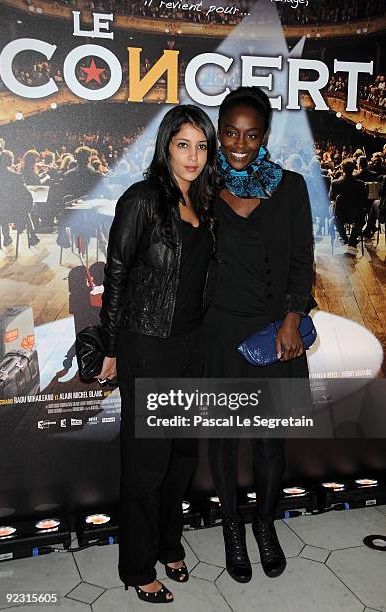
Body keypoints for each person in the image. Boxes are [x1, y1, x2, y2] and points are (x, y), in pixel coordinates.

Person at [98, 105, 217, 603]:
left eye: (201, 146)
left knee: (182, 457)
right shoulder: (144, 199)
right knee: (147, 464)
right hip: (148, 346)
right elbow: (117, 274)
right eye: (183, 144)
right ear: (166, 145)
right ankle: (136, 565)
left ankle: (170, 542)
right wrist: (110, 347)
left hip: (192, 346)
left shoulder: (204, 204)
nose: (193, 156)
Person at [204, 87, 314, 584]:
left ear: (265, 135)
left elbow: (301, 260)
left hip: (275, 331)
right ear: (218, 132)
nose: (239, 143)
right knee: (226, 441)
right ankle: (232, 527)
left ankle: (264, 524)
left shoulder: (290, 187)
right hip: (219, 330)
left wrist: (292, 318)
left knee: (270, 442)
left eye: (251, 134)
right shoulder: (201, 187)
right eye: (230, 132)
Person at [329, 158, 368, 247]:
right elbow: (364, 199)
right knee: (362, 217)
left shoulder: (335, 184)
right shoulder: (361, 184)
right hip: (356, 215)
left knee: (334, 216)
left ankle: (343, 237)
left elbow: (330, 197)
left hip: (340, 215)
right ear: (354, 168)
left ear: (342, 169)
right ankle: (353, 238)